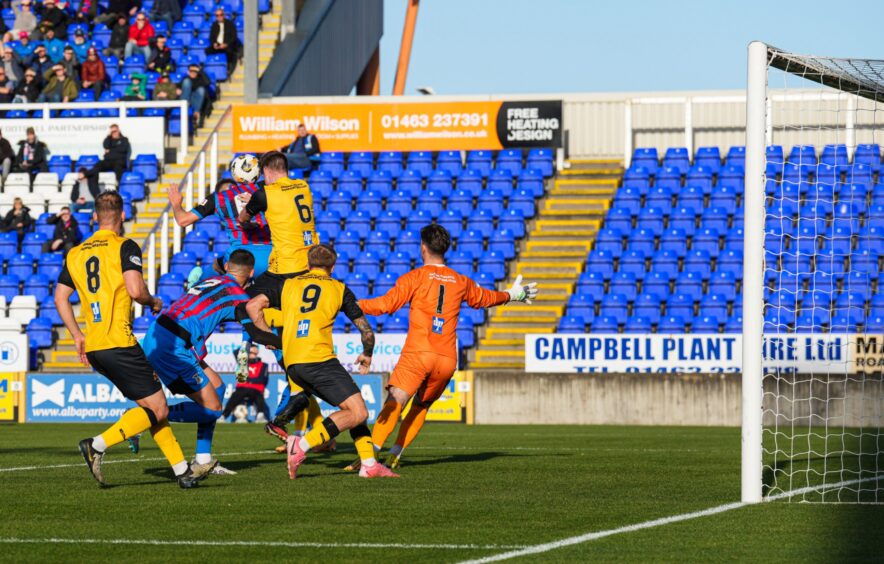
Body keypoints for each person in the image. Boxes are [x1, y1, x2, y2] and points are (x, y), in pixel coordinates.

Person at [345, 225, 538, 471]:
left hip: (419, 352)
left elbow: (386, 305)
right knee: (421, 406)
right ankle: (395, 453)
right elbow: (486, 299)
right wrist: (512, 295)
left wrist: (351, 304)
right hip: (447, 359)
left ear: (423, 248)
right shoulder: (461, 281)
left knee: (395, 401)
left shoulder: (414, 277)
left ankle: (369, 458)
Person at [54, 191, 210, 489]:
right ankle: (97, 445)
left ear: (95, 216)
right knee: (159, 408)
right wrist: (153, 301)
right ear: (123, 216)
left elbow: (60, 297)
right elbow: (136, 290)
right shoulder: (125, 246)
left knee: (152, 408)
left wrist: (77, 335)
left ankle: (182, 471)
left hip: (96, 347)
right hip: (119, 342)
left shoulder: (75, 253)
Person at [243, 244, 399, 479]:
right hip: (318, 358)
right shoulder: (338, 288)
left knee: (351, 407)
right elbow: (366, 331)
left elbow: (252, 306)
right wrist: (367, 353)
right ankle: (302, 445)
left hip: (293, 362)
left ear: (307, 264)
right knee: (358, 412)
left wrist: (270, 338)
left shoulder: (289, 283)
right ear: (333, 266)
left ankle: (369, 464)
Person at [141, 250, 272, 475]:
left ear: (228, 266)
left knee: (218, 388)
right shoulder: (240, 297)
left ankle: (203, 459)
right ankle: (143, 417)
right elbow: (255, 333)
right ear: (251, 272)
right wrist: (278, 341)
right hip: (173, 345)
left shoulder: (211, 280)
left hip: (162, 333)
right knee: (212, 410)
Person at [238, 151, 318, 294]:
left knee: (245, 301)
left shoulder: (264, 195)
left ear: (267, 171)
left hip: (286, 266)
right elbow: (285, 202)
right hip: (310, 261)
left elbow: (242, 218)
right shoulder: (303, 186)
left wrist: (252, 203)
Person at [169, 177, 272, 278]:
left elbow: (183, 220)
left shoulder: (217, 199)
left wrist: (176, 204)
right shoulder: (261, 195)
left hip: (242, 257)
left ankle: (198, 283)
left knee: (216, 268)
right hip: (271, 255)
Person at [221, 344, 271, 422]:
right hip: (242, 388)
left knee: (259, 397)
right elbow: (235, 352)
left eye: (254, 353)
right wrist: (247, 347)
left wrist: (248, 380)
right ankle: (223, 416)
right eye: (251, 353)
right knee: (235, 396)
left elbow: (262, 379)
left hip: (256, 388)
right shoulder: (243, 363)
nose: (252, 355)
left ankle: (260, 416)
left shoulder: (263, 365)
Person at [206, 7, 237, 74]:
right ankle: (211, 67)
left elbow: (234, 37)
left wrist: (226, 44)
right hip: (218, 45)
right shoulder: (214, 25)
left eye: (221, 14)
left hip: (227, 45)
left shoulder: (230, 24)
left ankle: (228, 67)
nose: (219, 17)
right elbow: (211, 37)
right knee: (207, 50)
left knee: (229, 51)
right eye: (217, 15)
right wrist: (214, 43)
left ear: (224, 15)